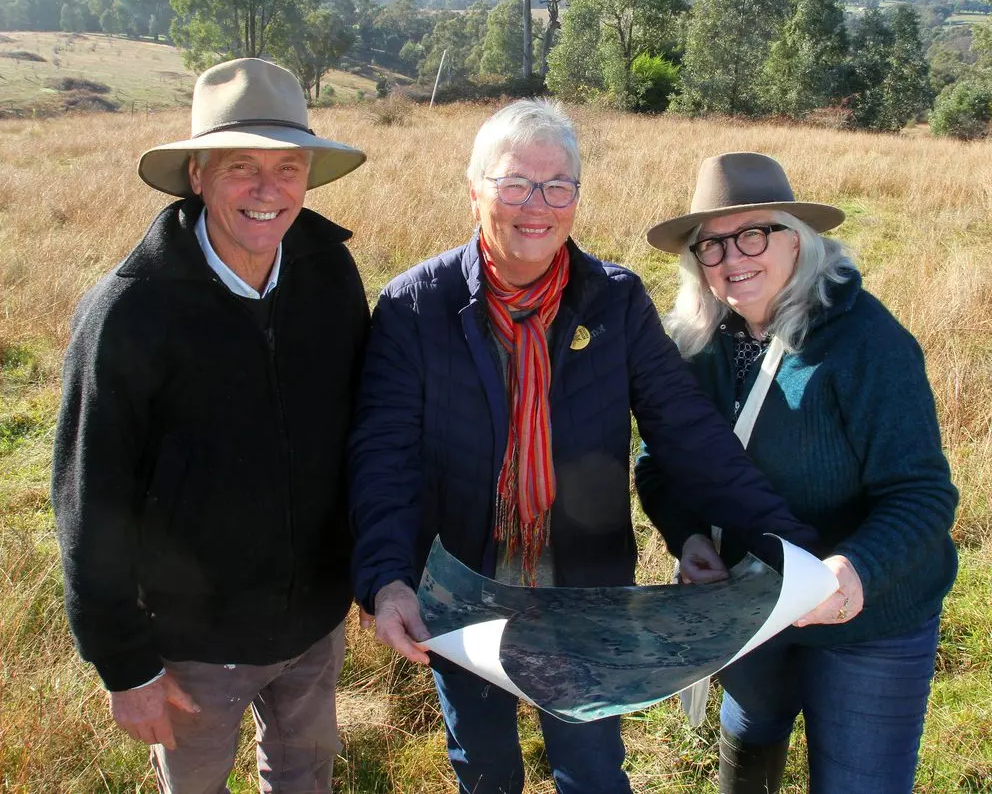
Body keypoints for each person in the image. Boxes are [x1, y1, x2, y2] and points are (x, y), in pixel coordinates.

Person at [348, 101, 820, 794]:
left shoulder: (614, 301)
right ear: (474, 190)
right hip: (461, 586)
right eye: (514, 184)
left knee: (593, 765)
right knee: (483, 766)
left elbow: (689, 435)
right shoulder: (414, 306)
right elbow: (382, 456)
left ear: (575, 196)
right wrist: (387, 577)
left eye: (557, 185)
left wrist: (790, 545)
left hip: (585, 589)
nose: (536, 205)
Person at [52, 57, 369, 793]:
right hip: (191, 647)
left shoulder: (329, 276)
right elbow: (86, 501)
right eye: (239, 167)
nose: (267, 191)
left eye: (287, 167)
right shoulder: (129, 314)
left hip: (313, 626)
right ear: (196, 174)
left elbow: (362, 431)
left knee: (306, 777)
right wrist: (125, 664)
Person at [636, 152, 959, 794]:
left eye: (753, 233)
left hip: (866, 617)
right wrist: (692, 539)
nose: (733, 258)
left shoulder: (867, 343)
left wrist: (855, 569)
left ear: (796, 238)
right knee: (752, 733)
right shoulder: (697, 343)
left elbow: (922, 495)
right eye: (712, 246)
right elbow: (660, 465)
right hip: (748, 601)